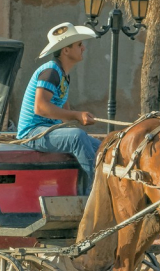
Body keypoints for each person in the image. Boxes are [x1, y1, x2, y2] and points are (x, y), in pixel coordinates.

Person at [17, 22, 102, 194]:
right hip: (33, 133)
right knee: (77, 137)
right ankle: (94, 193)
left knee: (102, 146)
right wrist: (77, 115)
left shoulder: (63, 75)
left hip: (48, 131)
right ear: (66, 50)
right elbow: (40, 108)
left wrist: (76, 118)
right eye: (79, 45)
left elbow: (64, 110)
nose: (83, 48)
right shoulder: (50, 72)